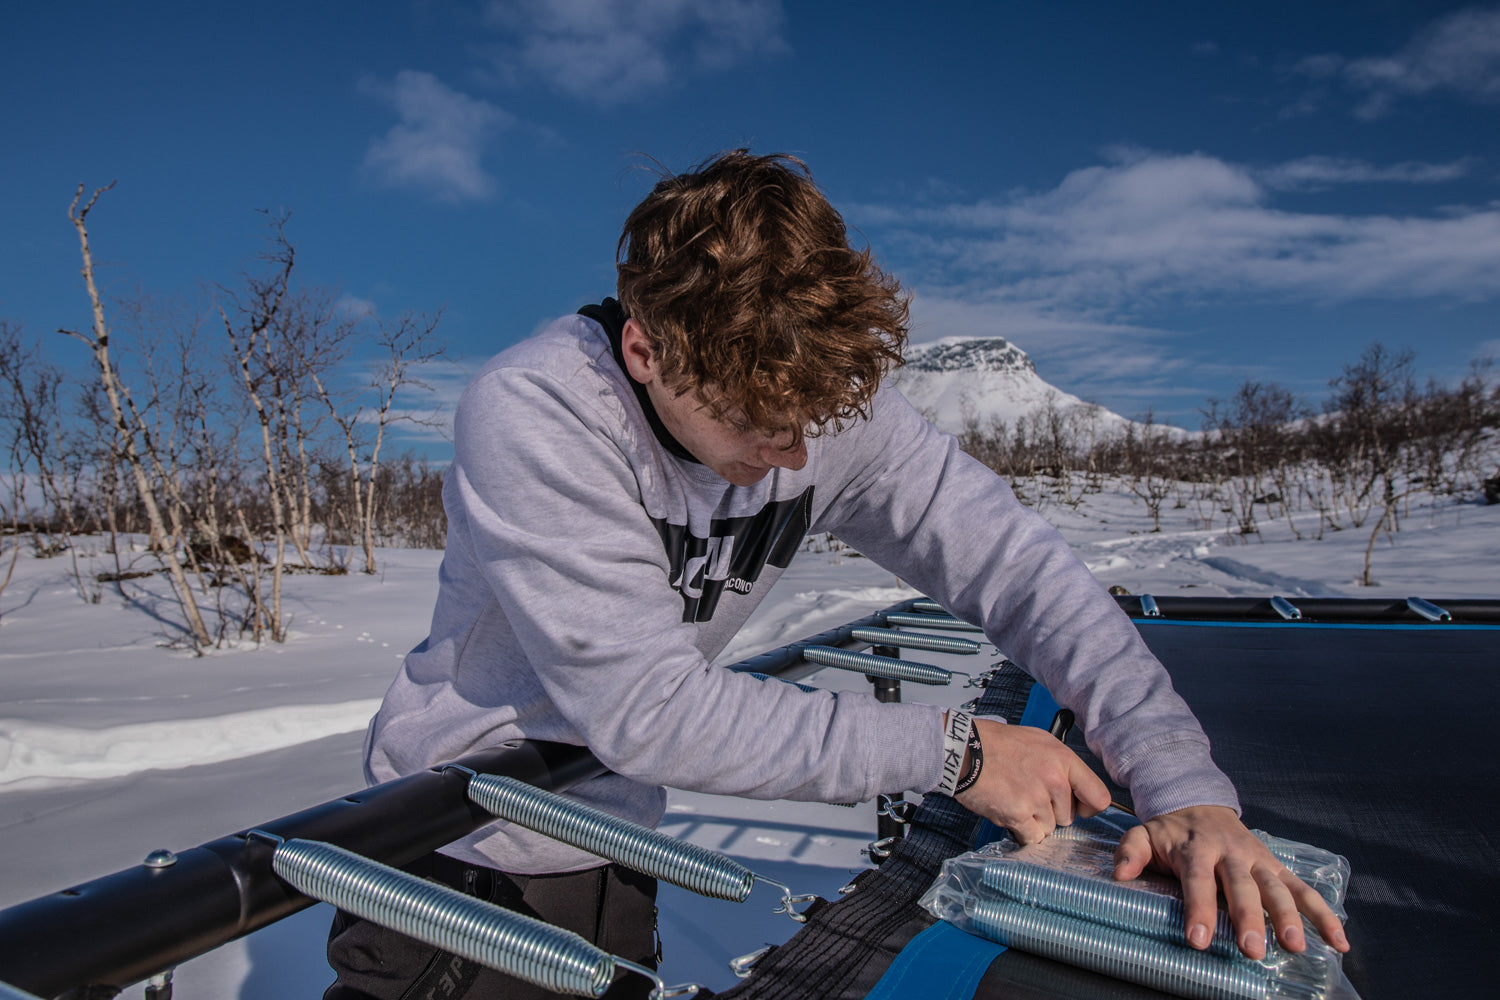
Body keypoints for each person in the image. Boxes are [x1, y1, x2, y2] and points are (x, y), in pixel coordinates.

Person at [326, 150, 1349, 999]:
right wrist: (957, 754)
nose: (796, 460)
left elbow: (1025, 574)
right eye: (753, 425)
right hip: (455, 853)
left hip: (614, 836)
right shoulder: (541, 413)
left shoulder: (812, 410)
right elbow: (645, 708)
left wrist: (1187, 788)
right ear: (644, 348)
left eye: (808, 424)